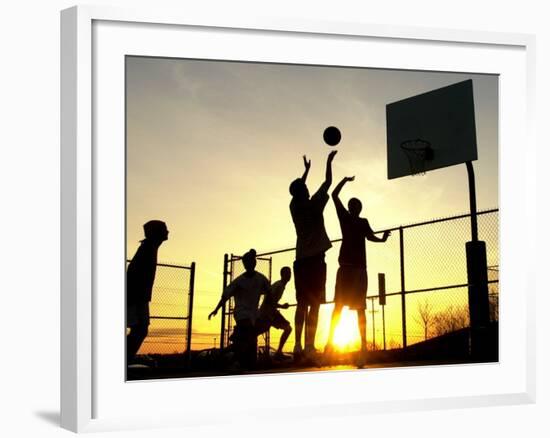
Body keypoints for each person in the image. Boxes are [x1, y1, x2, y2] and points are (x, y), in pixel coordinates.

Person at [325, 176, 391, 363]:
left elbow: (370, 237)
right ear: (350, 207)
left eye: (356, 205)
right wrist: (344, 180)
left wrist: (382, 239)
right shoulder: (344, 217)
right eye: (352, 204)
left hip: (358, 270)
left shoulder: (362, 222)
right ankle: (330, 344)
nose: (354, 207)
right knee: (339, 307)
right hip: (346, 269)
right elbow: (334, 194)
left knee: (359, 308)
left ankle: (363, 347)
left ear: (359, 208)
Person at [289, 150, 337, 361]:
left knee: (302, 304)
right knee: (314, 305)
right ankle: (309, 345)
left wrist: (306, 171)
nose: (308, 187)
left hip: (301, 261)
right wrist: (328, 161)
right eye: (305, 186)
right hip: (316, 261)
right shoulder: (315, 203)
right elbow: (328, 181)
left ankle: (298, 345)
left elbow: (297, 188)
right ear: (303, 192)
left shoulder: (294, 206)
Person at [209, 249, 270, 370]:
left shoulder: (261, 279)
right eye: (245, 263)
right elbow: (225, 296)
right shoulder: (239, 282)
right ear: (244, 265)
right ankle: (236, 360)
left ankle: (224, 354)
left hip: (254, 314)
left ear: (254, 263)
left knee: (248, 340)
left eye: (250, 262)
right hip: (241, 314)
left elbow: (270, 294)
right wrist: (216, 309)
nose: (248, 265)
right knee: (249, 333)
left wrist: (269, 311)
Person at [126, 220, 169, 364]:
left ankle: (125, 359)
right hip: (135, 296)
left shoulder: (150, 247)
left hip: (139, 296)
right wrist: (134, 298)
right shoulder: (147, 249)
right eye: (164, 229)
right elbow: (133, 274)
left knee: (140, 330)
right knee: (139, 330)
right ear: (156, 233)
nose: (168, 232)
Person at [255, 267, 293, 360]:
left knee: (287, 328)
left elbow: (271, 301)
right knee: (256, 332)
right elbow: (269, 300)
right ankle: (278, 353)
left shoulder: (281, 285)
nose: (289, 275)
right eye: (287, 273)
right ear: (282, 274)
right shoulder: (279, 285)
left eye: (290, 273)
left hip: (270, 313)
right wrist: (282, 306)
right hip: (267, 314)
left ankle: (278, 352)